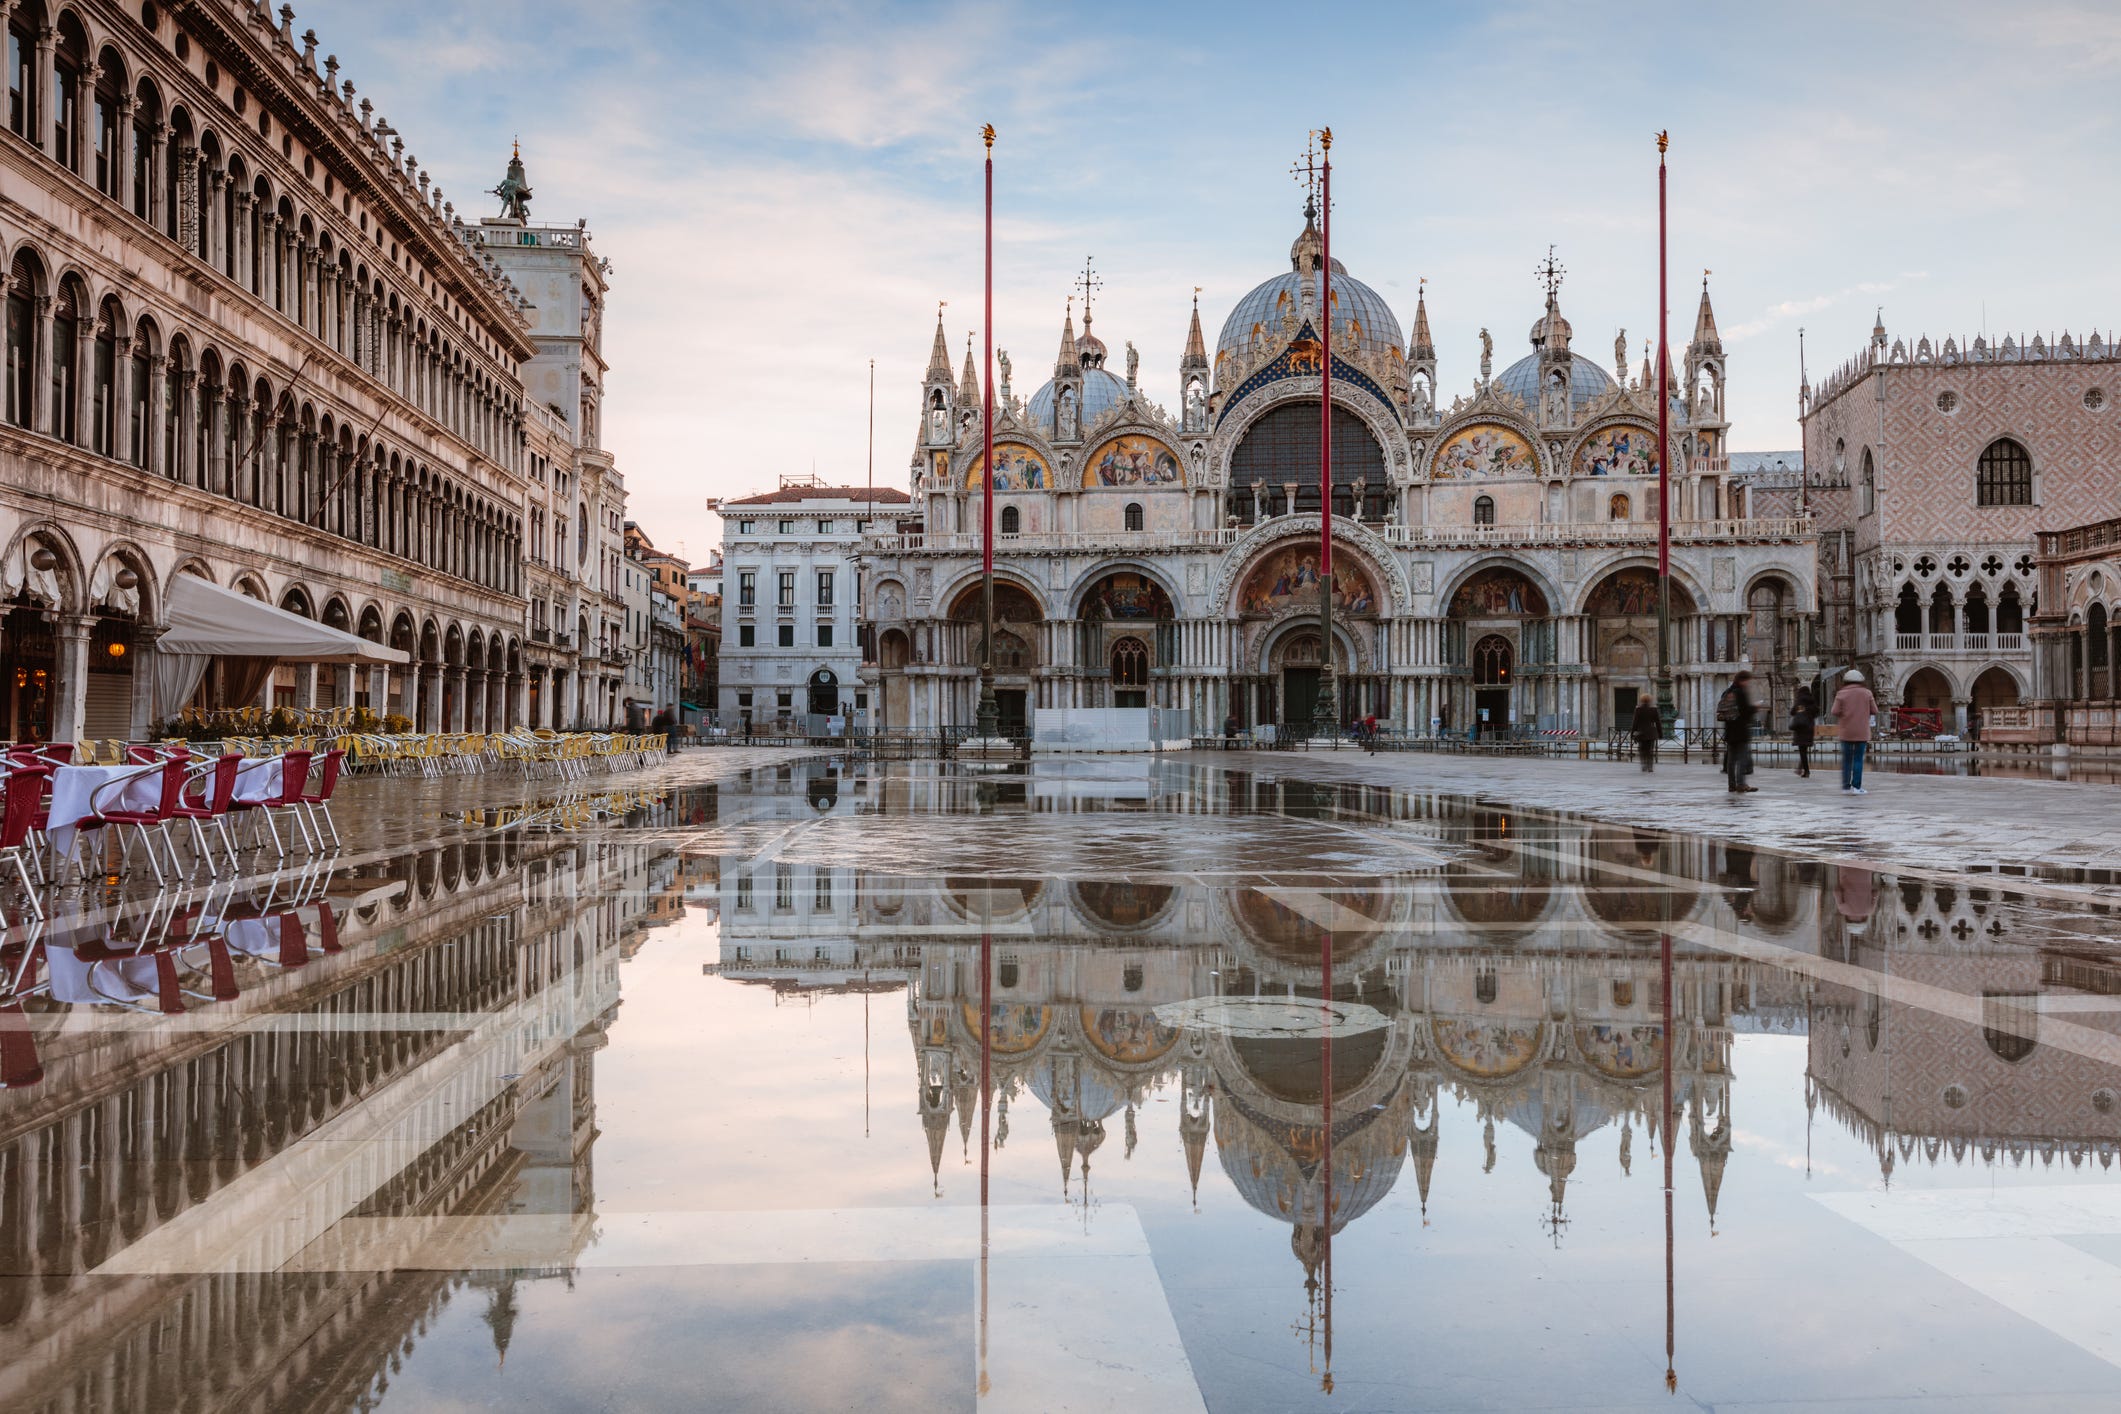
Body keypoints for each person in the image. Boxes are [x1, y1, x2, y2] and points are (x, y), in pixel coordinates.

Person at [1831, 668, 1877, 794]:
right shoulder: (1867, 693)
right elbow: (1875, 710)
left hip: (1846, 731)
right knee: (1858, 759)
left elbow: (1834, 711)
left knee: (1846, 760)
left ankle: (1845, 787)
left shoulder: (1841, 693)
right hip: (1861, 731)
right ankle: (1857, 787)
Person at [1716, 671, 1758, 793]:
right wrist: (1754, 708)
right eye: (1747, 681)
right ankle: (1741, 784)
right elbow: (1745, 711)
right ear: (1742, 680)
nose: (1748, 683)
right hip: (1740, 730)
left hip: (1729, 730)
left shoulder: (1727, 692)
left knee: (1731, 760)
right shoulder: (1740, 693)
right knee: (1742, 758)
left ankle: (1731, 785)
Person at [1789, 686, 1818, 778]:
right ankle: (1801, 768)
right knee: (1804, 750)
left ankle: (1806, 771)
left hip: (1800, 728)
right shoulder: (1812, 701)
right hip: (1809, 728)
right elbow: (1816, 712)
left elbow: (1792, 712)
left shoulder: (1799, 701)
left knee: (1802, 750)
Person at [1630, 695, 1662, 772]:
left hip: (1642, 733)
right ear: (1649, 700)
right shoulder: (1654, 709)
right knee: (1650, 750)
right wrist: (1660, 733)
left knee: (1642, 749)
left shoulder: (1638, 709)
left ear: (1642, 700)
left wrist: (1632, 733)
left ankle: (1644, 764)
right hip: (1651, 733)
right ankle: (1650, 766)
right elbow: (1658, 722)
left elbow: (1635, 722)